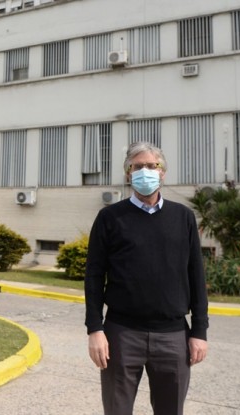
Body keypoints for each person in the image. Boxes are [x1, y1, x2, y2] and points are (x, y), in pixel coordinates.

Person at [84, 142, 208, 415]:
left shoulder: (183, 217)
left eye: (152, 166)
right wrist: (95, 329)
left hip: (173, 335)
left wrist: (199, 331)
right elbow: (94, 276)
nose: (145, 171)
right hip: (121, 334)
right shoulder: (109, 218)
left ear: (163, 172)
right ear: (128, 173)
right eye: (137, 166)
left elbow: (196, 275)